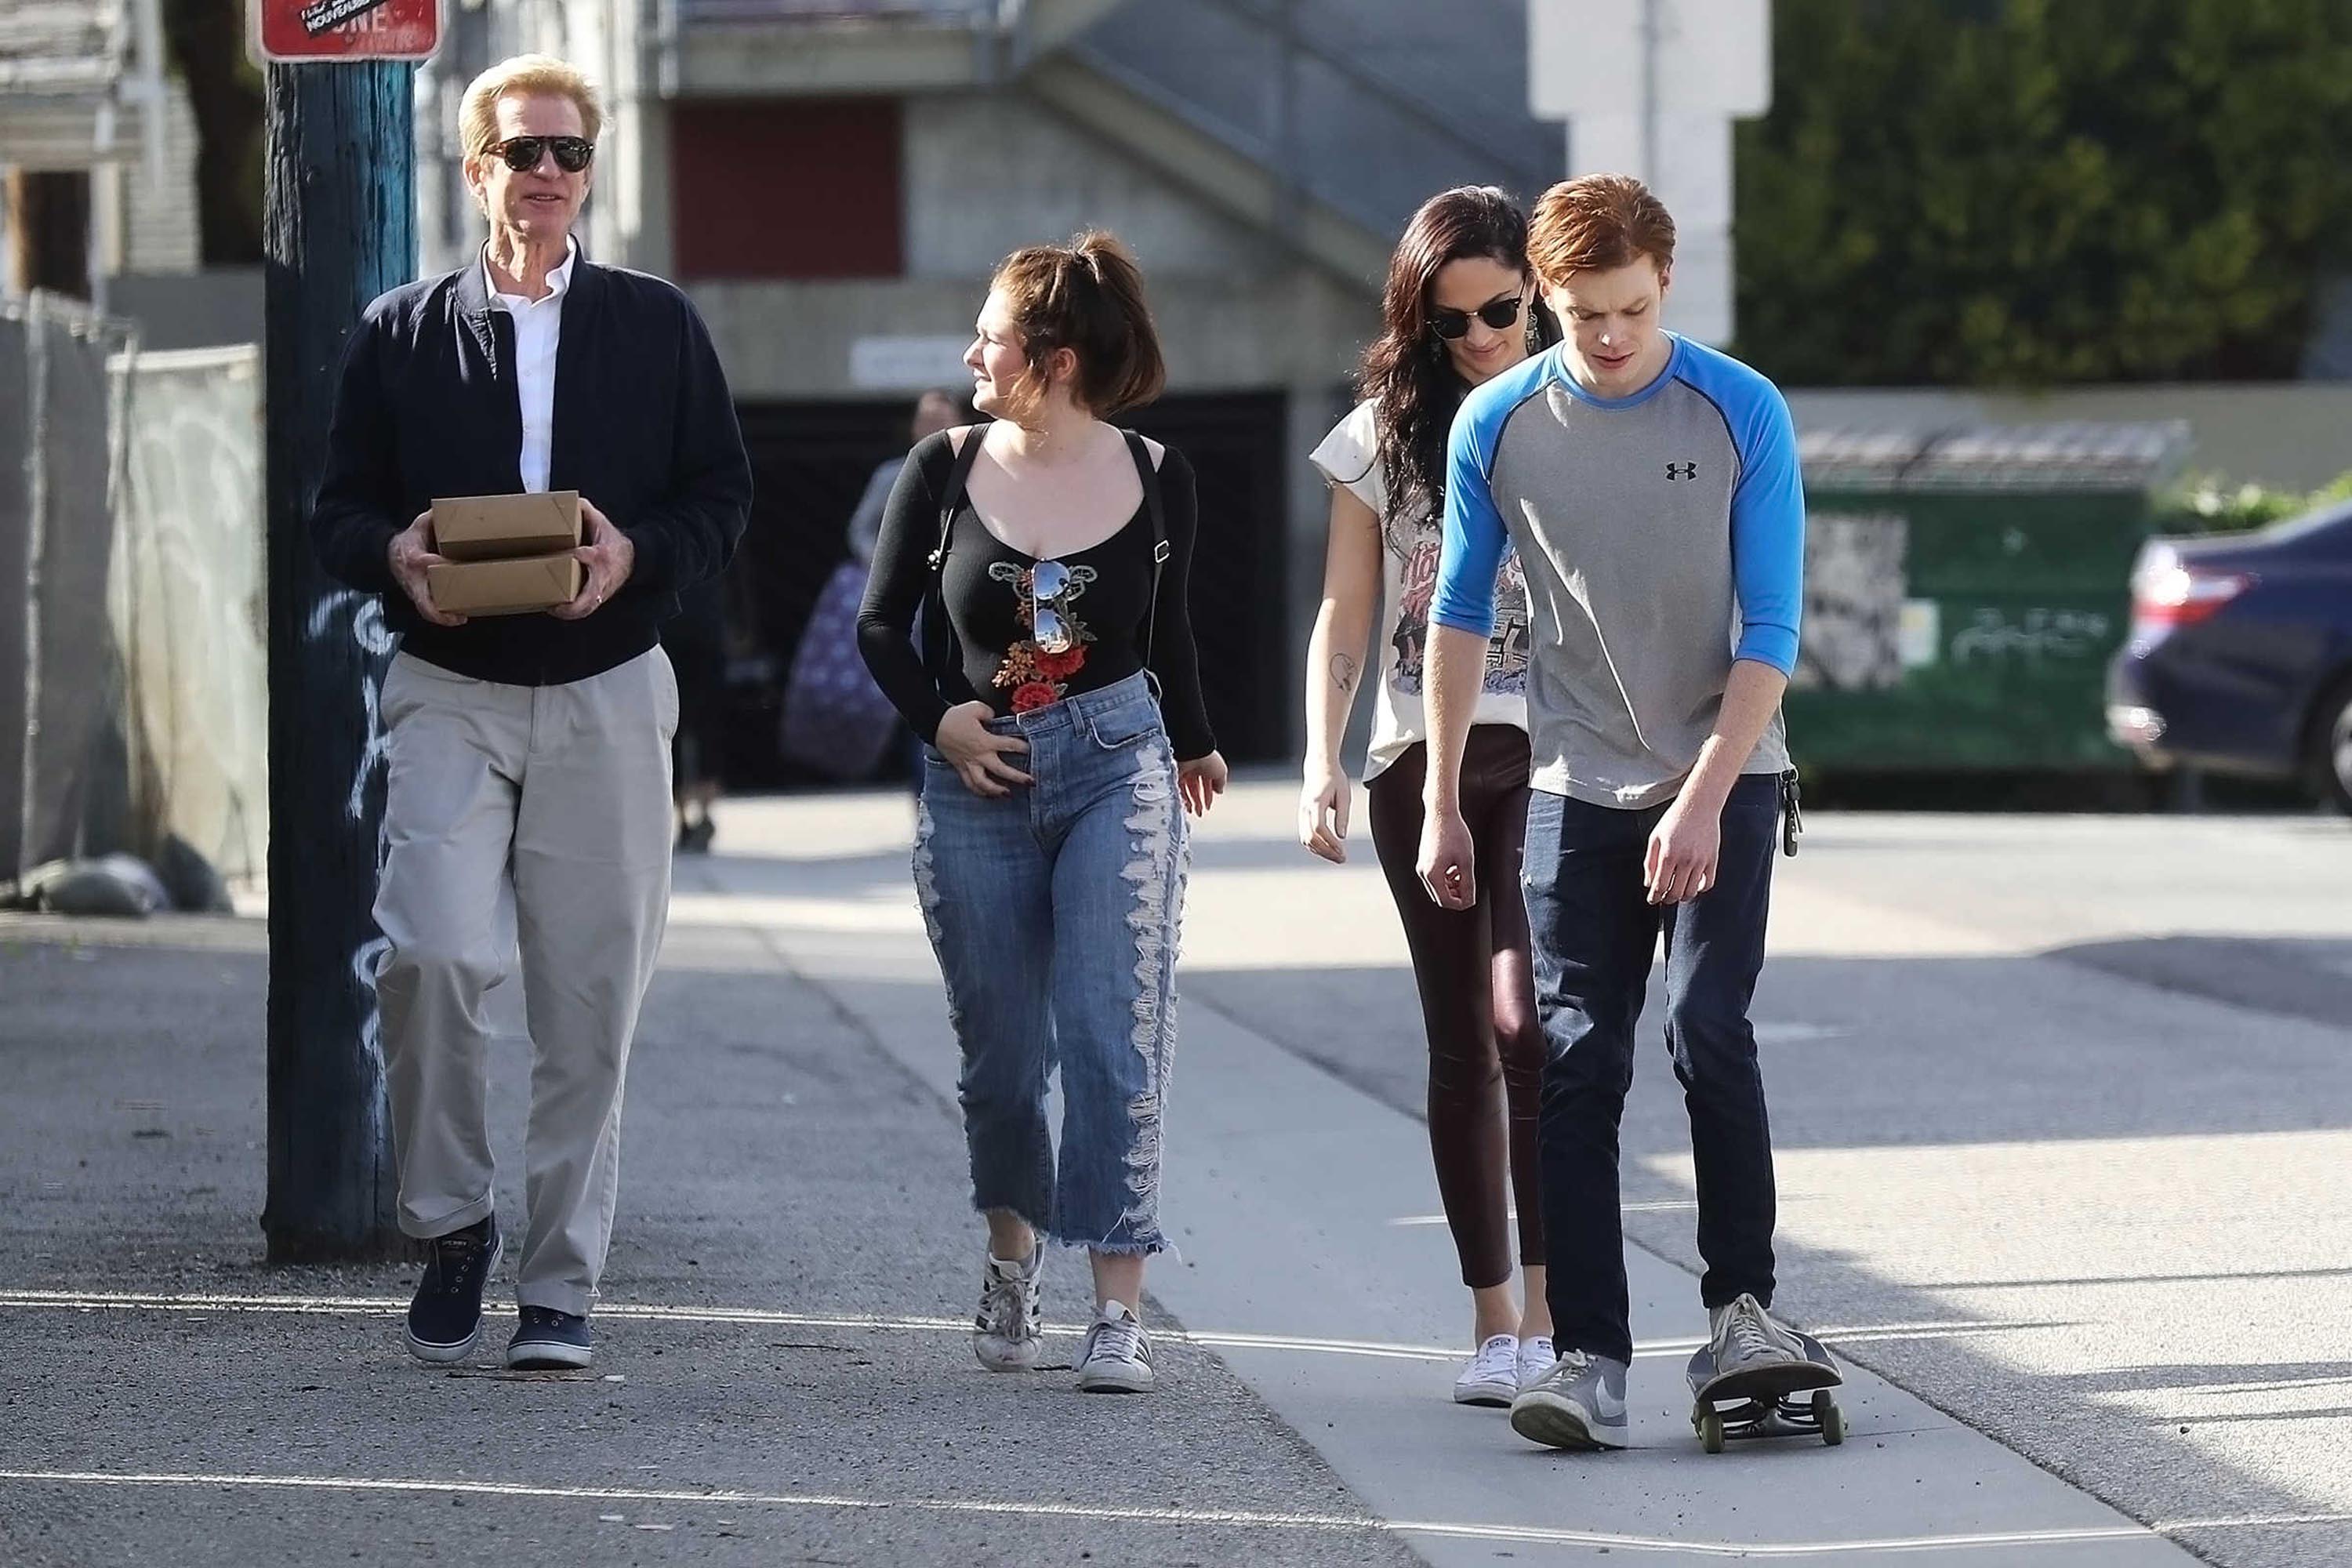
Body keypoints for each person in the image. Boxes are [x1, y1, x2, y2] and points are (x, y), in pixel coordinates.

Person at [309, 53, 753, 1371]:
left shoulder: (658, 324)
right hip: (448, 689)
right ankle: (453, 1222)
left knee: (587, 1003)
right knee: (433, 956)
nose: (550, 174)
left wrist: (637, 557)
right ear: (477, 170)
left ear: (590, 172)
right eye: (524, 153)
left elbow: (721, 501)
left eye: (571, 153)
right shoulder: (399, 331)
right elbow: (332, 511)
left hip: (610, 688)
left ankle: (560, 1287)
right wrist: (393, 556)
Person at [1417, 174, 1809, 1450]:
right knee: (1578, 1058)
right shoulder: (1498, 423)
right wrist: (1441, 802)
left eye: (1632, 310)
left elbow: (1773, 629)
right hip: (1577, 779)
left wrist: (1703, 800)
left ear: (1665, 287)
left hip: (1727, 767)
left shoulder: (1742, 409)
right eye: (1584, 315)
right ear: (1545, 298)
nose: (1610, 339)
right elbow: (1462, 613)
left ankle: (1744, 1309)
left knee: (1706, 1026)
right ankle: (1585, 1356)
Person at [855, 231, 1228, 1395]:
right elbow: (880, 628)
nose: (972, 351)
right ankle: (1013, 1257)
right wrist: (941, 723)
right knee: (1005, 1062)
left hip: (1120, 760)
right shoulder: (944, 468)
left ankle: (1118, 1308)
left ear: (1055, 359)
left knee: (1113, 1039)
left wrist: (1198, 742)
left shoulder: (1161, 474)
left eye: (992, 335)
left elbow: (1166, 635)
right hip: (978, 775)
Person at [1299, 187, 1554, 1406]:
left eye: (1501, 310)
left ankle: (1558, 1314)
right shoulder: (1381, 437)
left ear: (1537, 290)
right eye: (1452, 323)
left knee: (1531, 1027)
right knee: (1461, 1036)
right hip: (1421, 764)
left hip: (1556, 759)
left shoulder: (1579, 410)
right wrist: (1323, 760)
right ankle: (1495, 1322)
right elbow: (1345, 612)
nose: (1483, 339)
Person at [847, 388, 967, 568]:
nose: (933, 430)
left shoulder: (975, 473)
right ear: (914, 426)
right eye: (927, 421)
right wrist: (879, 563)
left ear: (960, 425)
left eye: (940, 422)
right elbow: (862, 529)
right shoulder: (889, 475)